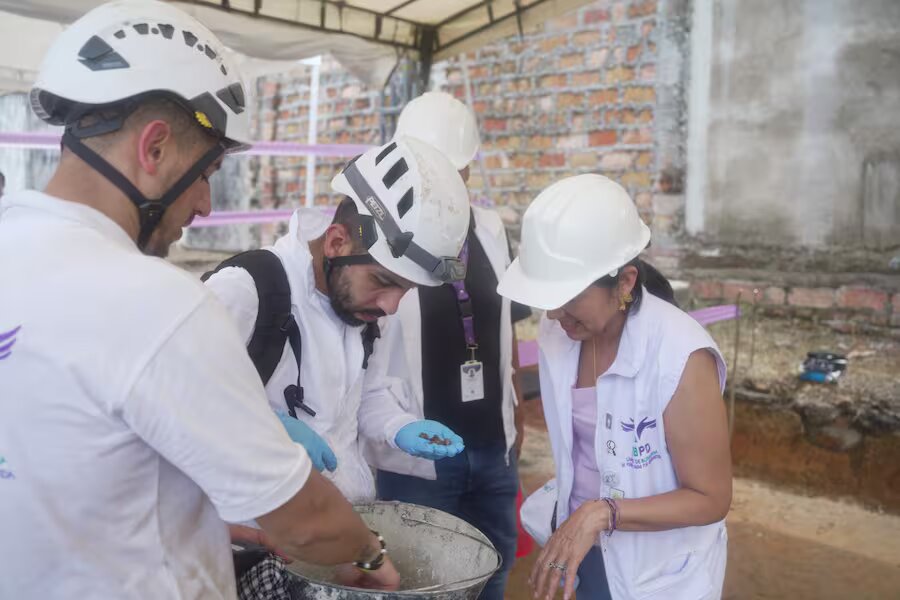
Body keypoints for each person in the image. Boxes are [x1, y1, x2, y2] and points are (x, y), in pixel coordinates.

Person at [0, 2, 400, 597]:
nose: (206, 205)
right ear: (155, 147)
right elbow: (308, 521)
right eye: (207, 172)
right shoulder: (156, 303)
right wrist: (368, 555)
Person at [498, 174, 732, 600]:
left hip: (655, 568)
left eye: (569, 298)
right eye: (548, 301)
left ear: (624, 282)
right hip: (585, 545)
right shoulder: (560, 333)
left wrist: (602, 513)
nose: (555, 315)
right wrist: (580, 520)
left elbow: (710, 498)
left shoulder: (680, 356)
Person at [203, 135, 471, 503]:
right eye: (383, 282)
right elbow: (183, 399)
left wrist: (400, 426)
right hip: (258, 528)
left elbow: (364, 397)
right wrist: (266, 427)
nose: (391, 306)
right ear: (336, 243)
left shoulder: (363, 307)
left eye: (406, 290)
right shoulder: (246, 290)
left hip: (341, 518)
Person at [361, 91, 531, 600]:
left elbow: (506, 327)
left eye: (453, 171)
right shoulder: (381, 237)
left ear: (470, 168)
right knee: (420, 580)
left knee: (493, 569)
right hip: (416, 454)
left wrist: (517, 414)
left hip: (492, 447)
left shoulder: (492, 230)